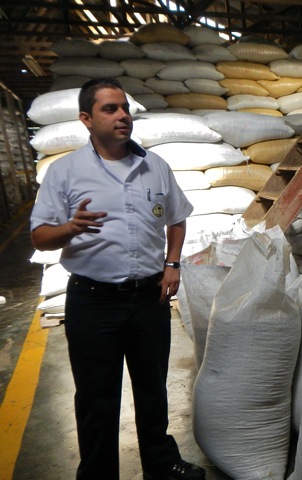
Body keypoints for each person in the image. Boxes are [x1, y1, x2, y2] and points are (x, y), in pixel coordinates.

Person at [30, 78, 204, 480]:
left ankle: (161, 464)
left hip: (148, 299)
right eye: (110, 109)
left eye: (124, 107)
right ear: (86, 119)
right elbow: (39, 236)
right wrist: (70, 228)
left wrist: (173, 264)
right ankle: (97, 473)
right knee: (96, 396)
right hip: (93, 301)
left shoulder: (154, 167)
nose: (123, 115)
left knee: (152, 387)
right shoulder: (65, 172)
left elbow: (177, 217)